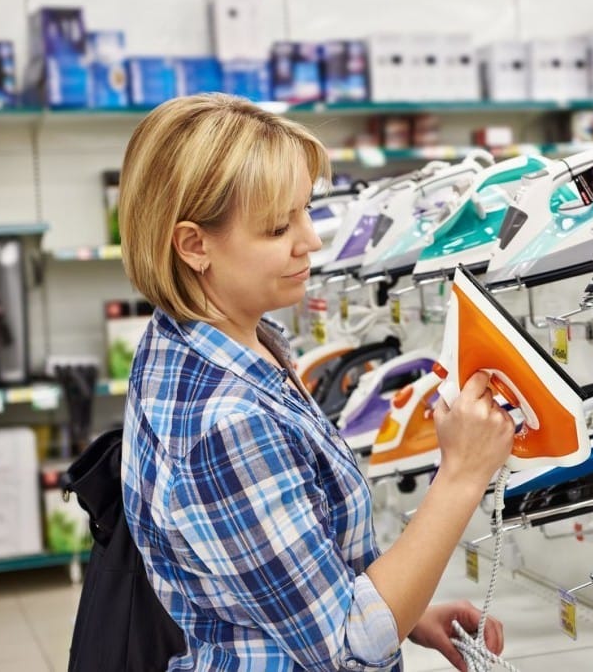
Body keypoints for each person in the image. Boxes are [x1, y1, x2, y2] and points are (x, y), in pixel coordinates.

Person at [119, 93, 514, 672]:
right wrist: (462, 475)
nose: (312, 241)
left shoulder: (206, 340)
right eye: (279, 227)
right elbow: (347, 648)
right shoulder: (228, 424)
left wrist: (403, 610)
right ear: (194, 245)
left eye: (305, 209)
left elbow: (283, 566)